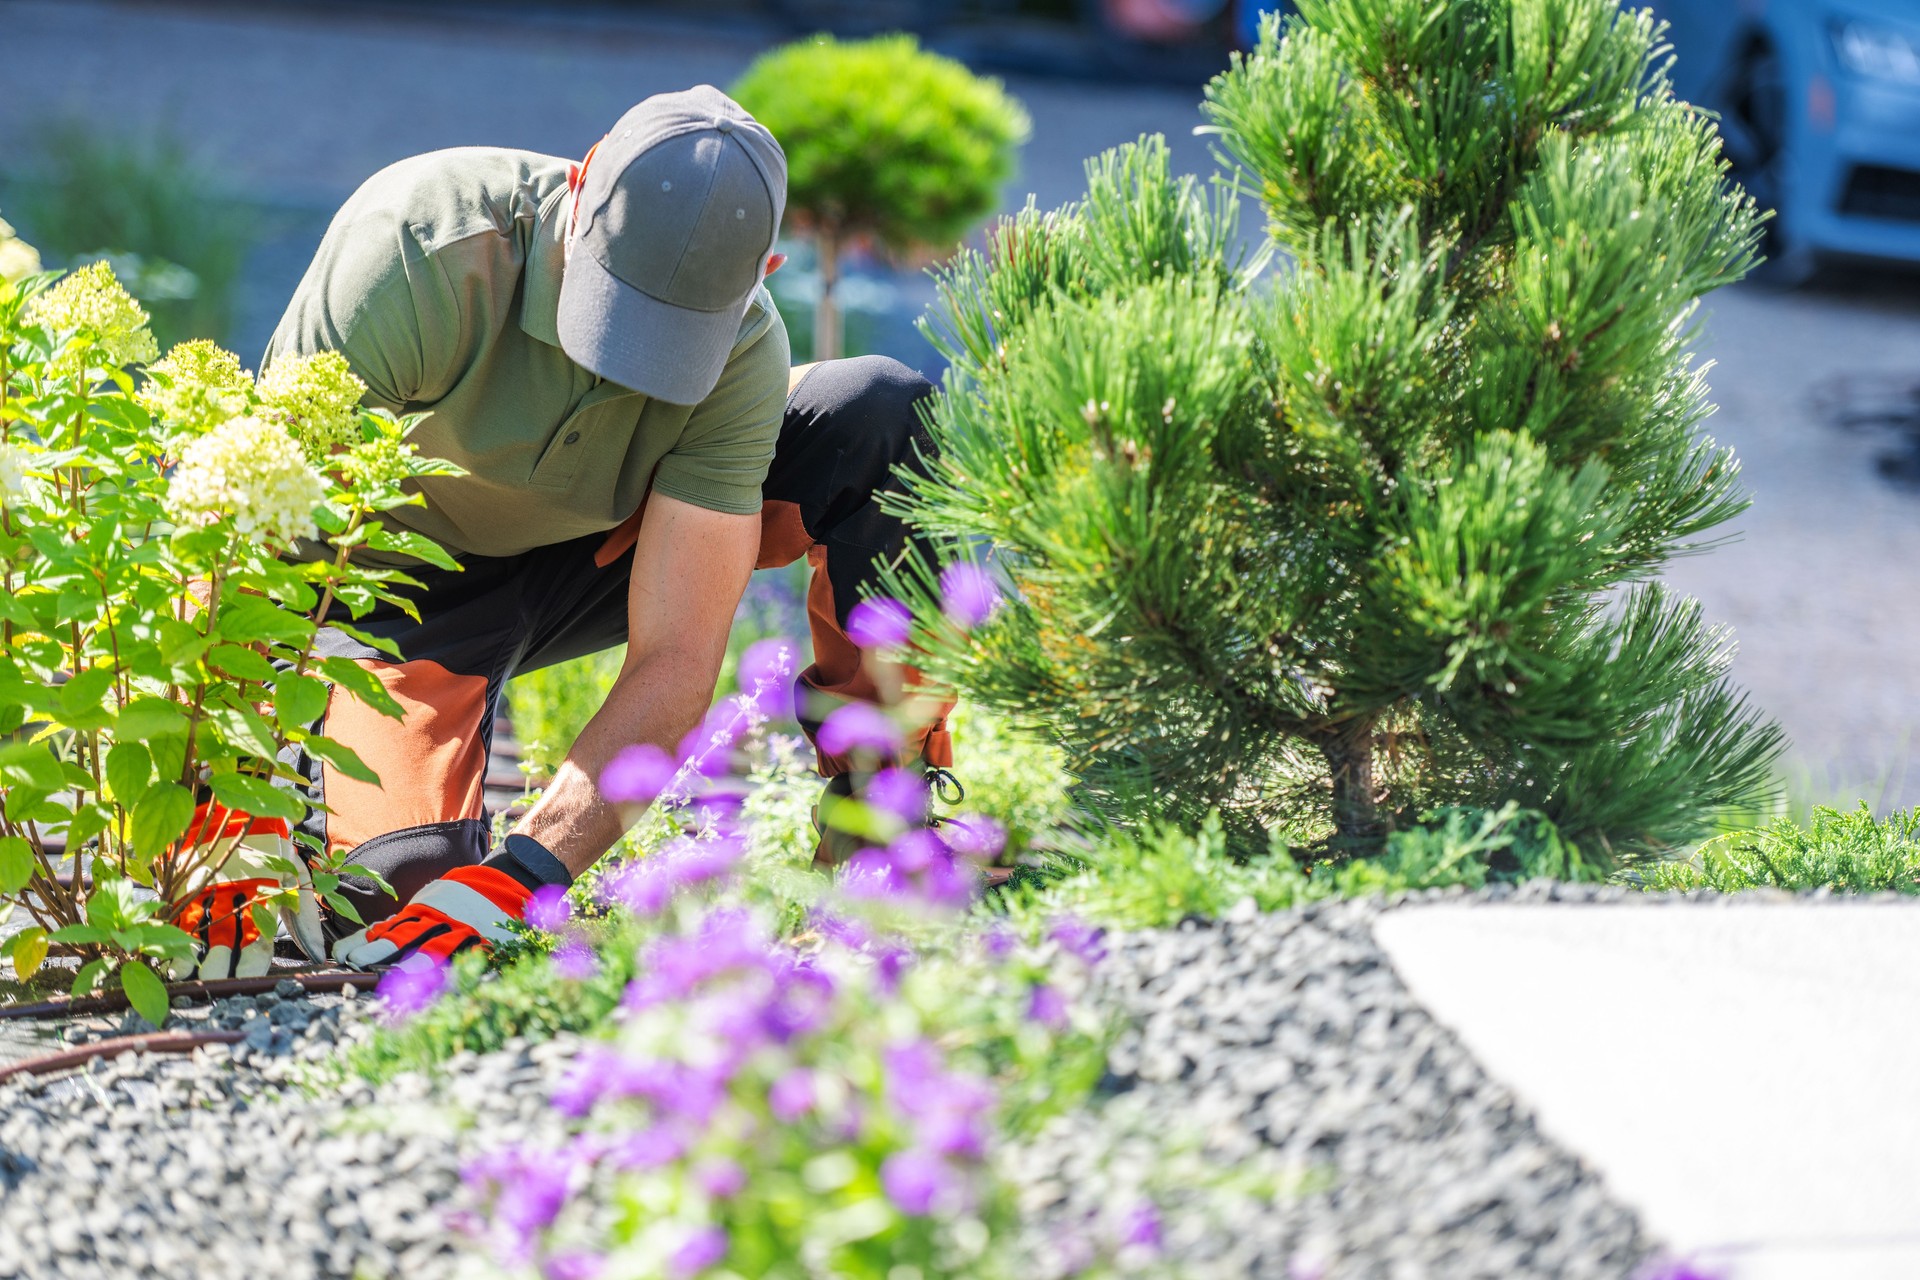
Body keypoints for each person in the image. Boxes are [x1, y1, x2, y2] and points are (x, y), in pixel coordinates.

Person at [209, 86, 952, 972]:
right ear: (583, 176)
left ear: (765, 273)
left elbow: (676, 655)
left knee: (873, 412)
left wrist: (527, 873)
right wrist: (224, 816)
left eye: (669, 337)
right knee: (388, 897)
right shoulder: (416, 251)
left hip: (608, 553)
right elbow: (246, 542)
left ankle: (880, 816)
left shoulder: (743, 348)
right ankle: (318, 791)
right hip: (397, 587)